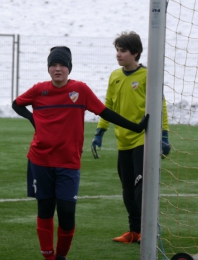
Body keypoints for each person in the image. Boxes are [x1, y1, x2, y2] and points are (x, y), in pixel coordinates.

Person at [12, 46, 149, 260]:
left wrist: (135, 127)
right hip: (40, 161)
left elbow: (105, 112)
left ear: (69, 68)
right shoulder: (39, 90)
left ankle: (61, 256)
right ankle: (49, 258)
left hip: (68, 162)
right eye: (53, 65)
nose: (58, 69)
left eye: (62, 65)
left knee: (66, 213)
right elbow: (17, 104)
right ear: (48, 69)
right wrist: (32, 119)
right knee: (45, 210)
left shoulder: (80, 91)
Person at [91, 31, 171, 244]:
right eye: (117, 50)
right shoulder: (115, 76)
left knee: (140, 188)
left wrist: (164, 135)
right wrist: (100, 132)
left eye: (123, 50)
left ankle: (149, 231)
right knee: (127, 189)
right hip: (123, 141)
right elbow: (108, 105)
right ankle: (134, 231)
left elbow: (160, 104)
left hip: (143, 140)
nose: (118, 54)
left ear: (135, 53)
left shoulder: (147, 76)